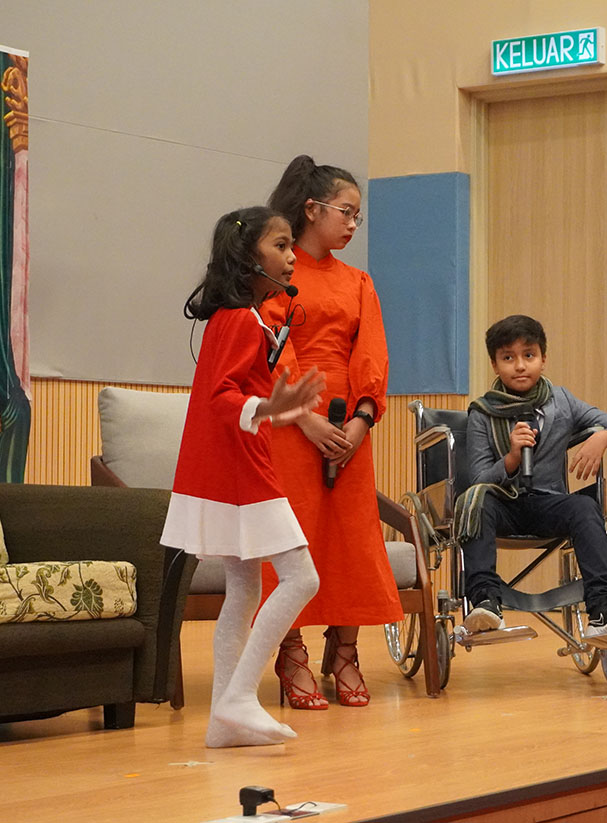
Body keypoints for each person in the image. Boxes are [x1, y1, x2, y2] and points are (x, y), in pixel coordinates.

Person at [161, 206, 326, 747]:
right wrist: (268, 405)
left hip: (229, 462)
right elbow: (222, 397)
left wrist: (278, 410)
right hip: (240, 469)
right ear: (247, 255)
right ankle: (239, 697)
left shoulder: (236, 317)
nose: (291, 256)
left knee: (244, 587)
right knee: (302, 578)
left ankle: (221, 721)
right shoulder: (240, 319)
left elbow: (234, 400)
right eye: (280, 245)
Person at [258, 155, 401, 709]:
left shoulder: (358, 281)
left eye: (357, 216)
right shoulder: (277, 274)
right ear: (312, 209)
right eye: (346, 212)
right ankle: (289, 652)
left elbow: (371, 352)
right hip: (291, 424)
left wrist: (362, 418)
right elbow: (271, 347)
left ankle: (345, 652)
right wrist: (305, 416)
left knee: (350, 539)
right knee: (293, 538)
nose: (352, 224)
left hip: (349, 426)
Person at [455, 314, 607, 637]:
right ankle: (485, 603)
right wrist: (512, 458)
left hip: (547, 504)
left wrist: (602, 437)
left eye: (529, 355)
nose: (520, 366)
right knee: (477, 502)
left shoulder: (562, 401)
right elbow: (479, 479)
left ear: (543, 359)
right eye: (508, 358)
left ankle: (602, 608)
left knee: (585, 507)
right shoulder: (482, 412)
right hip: (502, 506)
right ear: (495, 365)